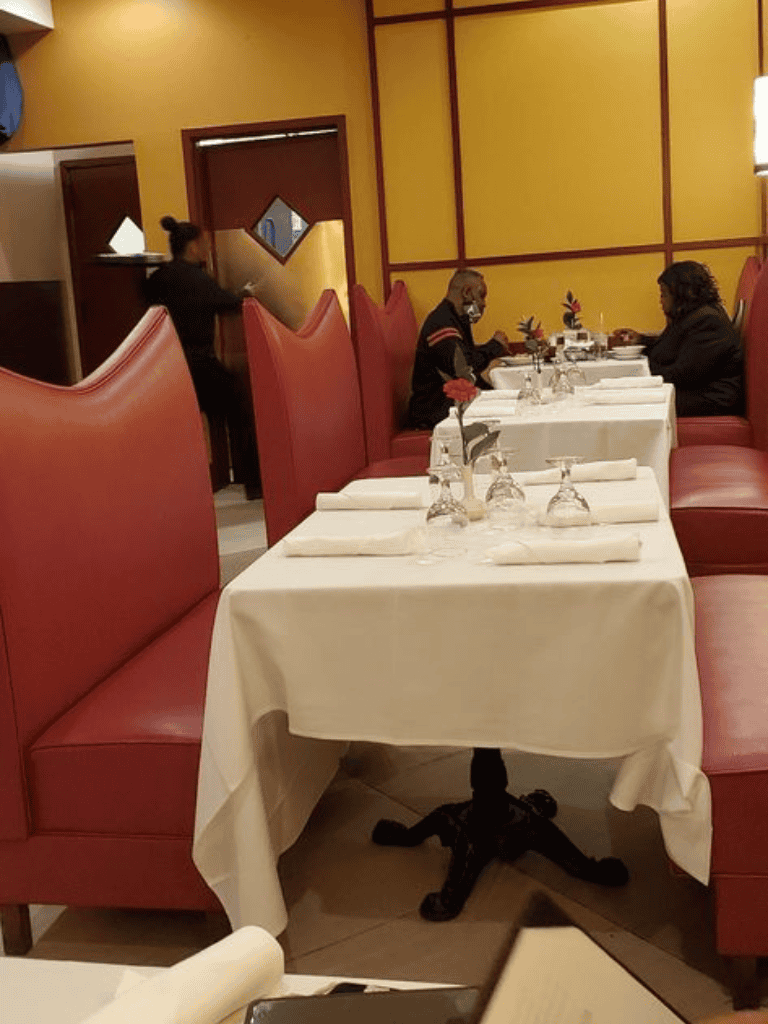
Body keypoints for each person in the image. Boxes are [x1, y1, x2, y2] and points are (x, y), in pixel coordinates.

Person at [144, 216, 262, 499]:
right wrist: (246, 293)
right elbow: (228, 303)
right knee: (241, 411)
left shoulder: (158, 279)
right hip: (199, 362)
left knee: (178, 428)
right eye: (205, 243)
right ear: (193, 246)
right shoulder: (196, 279)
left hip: (167, 367)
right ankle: (255, 484)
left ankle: (179, 488)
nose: (208, 248)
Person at [612, 261, 744, 418]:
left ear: (682, 294)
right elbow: (672, 348)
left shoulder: (708, 320)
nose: (660, 300)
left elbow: (683, 375)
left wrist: (635, 373)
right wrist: (640, 340)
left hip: (711, 400)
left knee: (627, 402)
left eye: (664, 294)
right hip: (695, 392)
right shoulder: (689, 315)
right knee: (624, 394)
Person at [407, 268, 510, 429]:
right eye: (481, 296)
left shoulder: (456, 318)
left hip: (447, 402)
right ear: (467, 293)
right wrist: (494, 346)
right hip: (433, 410)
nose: (484, 304)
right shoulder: (442, 324)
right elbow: (464, 368)